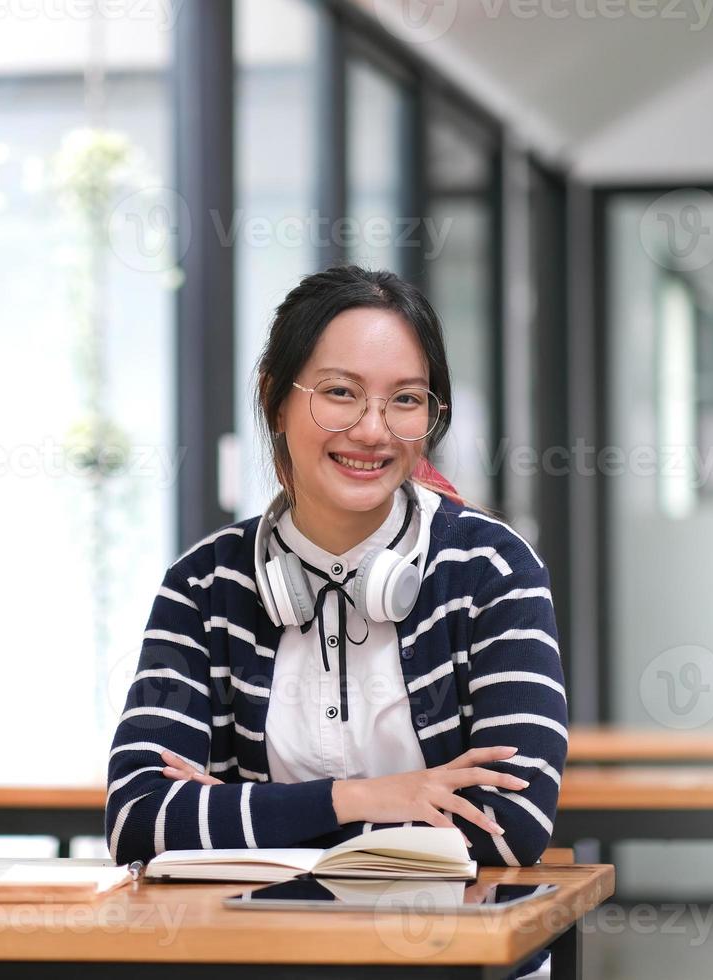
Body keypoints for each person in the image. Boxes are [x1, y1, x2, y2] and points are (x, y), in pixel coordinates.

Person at [104, 265, 567, 874]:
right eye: (340, 393)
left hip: (455, 954)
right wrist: (365, 797)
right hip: (264, 945)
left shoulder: (491, 569)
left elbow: (511, 826)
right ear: (276, 398)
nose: (372, 431)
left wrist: (239, 814)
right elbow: (140, 819)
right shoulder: (204, 585)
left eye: (404, 399)